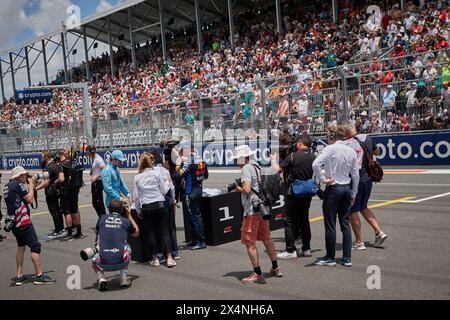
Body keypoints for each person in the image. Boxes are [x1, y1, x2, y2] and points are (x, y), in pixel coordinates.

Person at [234, 145, 282, 284]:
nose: (237, 160)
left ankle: (257, 273)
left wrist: (238, 189)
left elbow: (247, 189)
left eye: (238, 157)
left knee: (249, 242)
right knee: (267, 239)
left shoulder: (245, 168)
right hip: (263, 208)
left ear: (243, 157)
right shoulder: (257, 166)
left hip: (252, 210)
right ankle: (275, 267)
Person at [312, 127, 359, 267]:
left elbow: (315, 164)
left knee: (330, 224)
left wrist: (322, 179)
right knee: (345, 224)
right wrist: (354, 193)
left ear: (332, 136)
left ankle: (330, 257)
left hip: (333, 188)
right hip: (346, 188)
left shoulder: (329, 149)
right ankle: (347, 258)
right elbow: (355, 174)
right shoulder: (351, 151)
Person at [3, 166, 56, 285]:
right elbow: (30, 199)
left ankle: (19, 276)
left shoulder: (7, 186)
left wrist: (31, 183)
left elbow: (18, 198)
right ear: (20, 175)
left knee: (21, 247)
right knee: (35, 247)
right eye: (25, 175)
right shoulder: (18, 184)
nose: (26, 176)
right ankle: (39, 276)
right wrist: (31, 186)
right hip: (24, 221)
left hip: (14, 222)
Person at [343, 122, 388, 250]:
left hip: (357, 179)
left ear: (348, 133)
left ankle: (359, 242)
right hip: (369, 178)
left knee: (352, 210)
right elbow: (377, 152)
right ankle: (379, 231)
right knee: (363, 207)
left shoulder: (349, 143)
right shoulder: (367, 137)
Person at [271, 135, 316, 259]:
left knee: (289, 220)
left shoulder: (292, 156)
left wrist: (273, 160)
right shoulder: (313, 157)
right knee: (304, 219)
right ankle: (306, 248)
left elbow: (278, 170)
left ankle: (291, 250)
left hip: (293, 192)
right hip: (307, 193)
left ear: (300, 143)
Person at [134, 153, 176, 268]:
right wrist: (167, 181)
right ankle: (169, 258)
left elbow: (136, 197)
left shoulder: (137, 177)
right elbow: (164, 190)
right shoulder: (157, 173)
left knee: (151, 232)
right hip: (159, 204)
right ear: (151, 162)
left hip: (146, 207)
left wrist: (138, 210)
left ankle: (155, 259)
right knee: (165, 231)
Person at [93, 199, 139, 291]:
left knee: (94, 250)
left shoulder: (102, 218)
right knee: (128, 247)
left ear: (109, 209)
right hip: (121, 262)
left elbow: (97, 234)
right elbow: (136, 233)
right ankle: (123, 278)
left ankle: (101, 278)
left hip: (102, 263)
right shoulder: (125, 221)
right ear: (122, 210)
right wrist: (129, 215)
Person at [176, 143, 209, 250]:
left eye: (183, 149)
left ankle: (201, 241)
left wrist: (177, 164)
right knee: (195, 216)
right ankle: (195, 240)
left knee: (195, 217)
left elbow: (178, 175)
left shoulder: (188, 161)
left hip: (191, 191)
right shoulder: (201, 159)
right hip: (199, 188)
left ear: (188, 149)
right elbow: (206, 175)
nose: (181, 151)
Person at [149, 149, 180, 261]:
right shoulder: (164, 170)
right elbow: (172, 188)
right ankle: (175, 252)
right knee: (171, 228)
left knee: (160, 228)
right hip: (168, 200)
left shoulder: (151, 172)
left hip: (158, 201)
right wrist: (174, 201)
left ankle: (161, 254)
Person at [35, 151, 66, 239]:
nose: (42, 159)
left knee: (53, 211)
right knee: (58, 210)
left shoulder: (48, 167)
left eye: (42, 157)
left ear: (46, 157)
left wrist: (36, 188)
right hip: (57, 191)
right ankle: (61, 228)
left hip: (50, 192)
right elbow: (61, 178)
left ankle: (57, 230)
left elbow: (47, 182)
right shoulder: (57, 165)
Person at [59, 149, 84, 240]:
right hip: (75, 190)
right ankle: (79, 232)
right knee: (75, 209)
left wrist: (57, 181)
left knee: (67, 212)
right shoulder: (77, 163)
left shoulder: (63, 165)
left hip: (66, 191)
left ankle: (69, 232)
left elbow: (61, 179)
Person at [87, 146, 106, 217]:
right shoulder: (95, 159)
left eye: (87, 152)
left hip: (98, 182)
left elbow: (105, 169)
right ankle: (101, 217)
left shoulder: (98, 159)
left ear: (90, 152)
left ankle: (103, 218)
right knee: (95, 203)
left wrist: (96, 176)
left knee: (99, 202)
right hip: (95, 183)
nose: (87, 154)